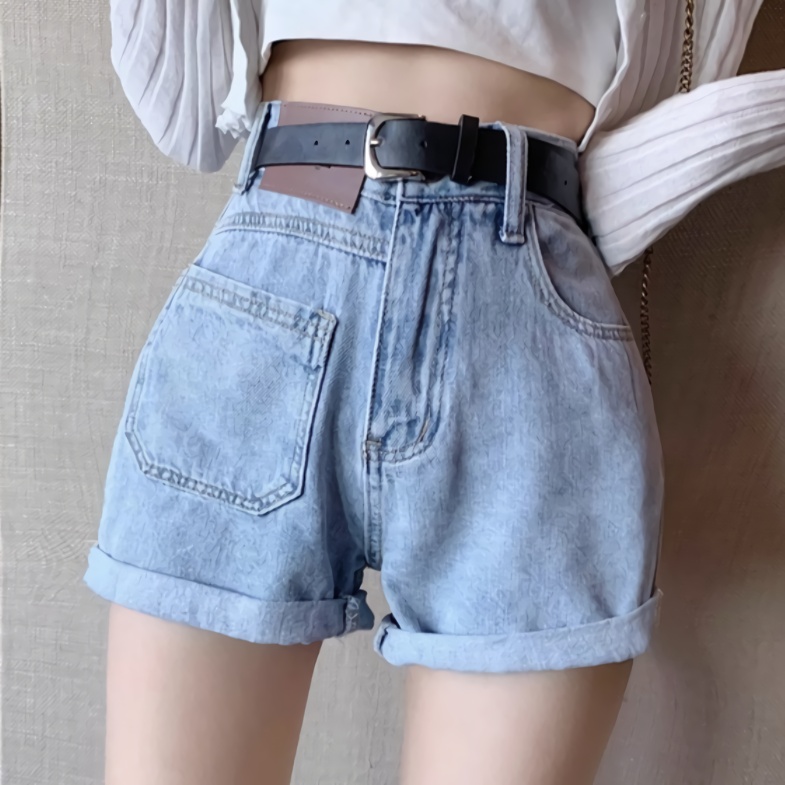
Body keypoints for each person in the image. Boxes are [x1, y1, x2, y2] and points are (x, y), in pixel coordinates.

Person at [84, 2, 785, 784]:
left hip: (525, 329)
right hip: (274, 280)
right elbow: (184, 112)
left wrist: (756, 117)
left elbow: (634, 146)